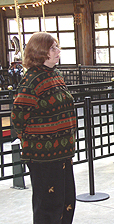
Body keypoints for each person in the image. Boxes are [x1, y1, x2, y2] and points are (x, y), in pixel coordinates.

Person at [11, 32, 77, 223]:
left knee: (66, 202)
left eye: (57, 46)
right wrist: (35, 139)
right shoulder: (32, 79)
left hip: (63, 152)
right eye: (53, 48)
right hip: (43, 156)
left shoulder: (54, 74)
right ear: (40, 52)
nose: (58, 51)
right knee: (49, 206)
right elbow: (18, 116)